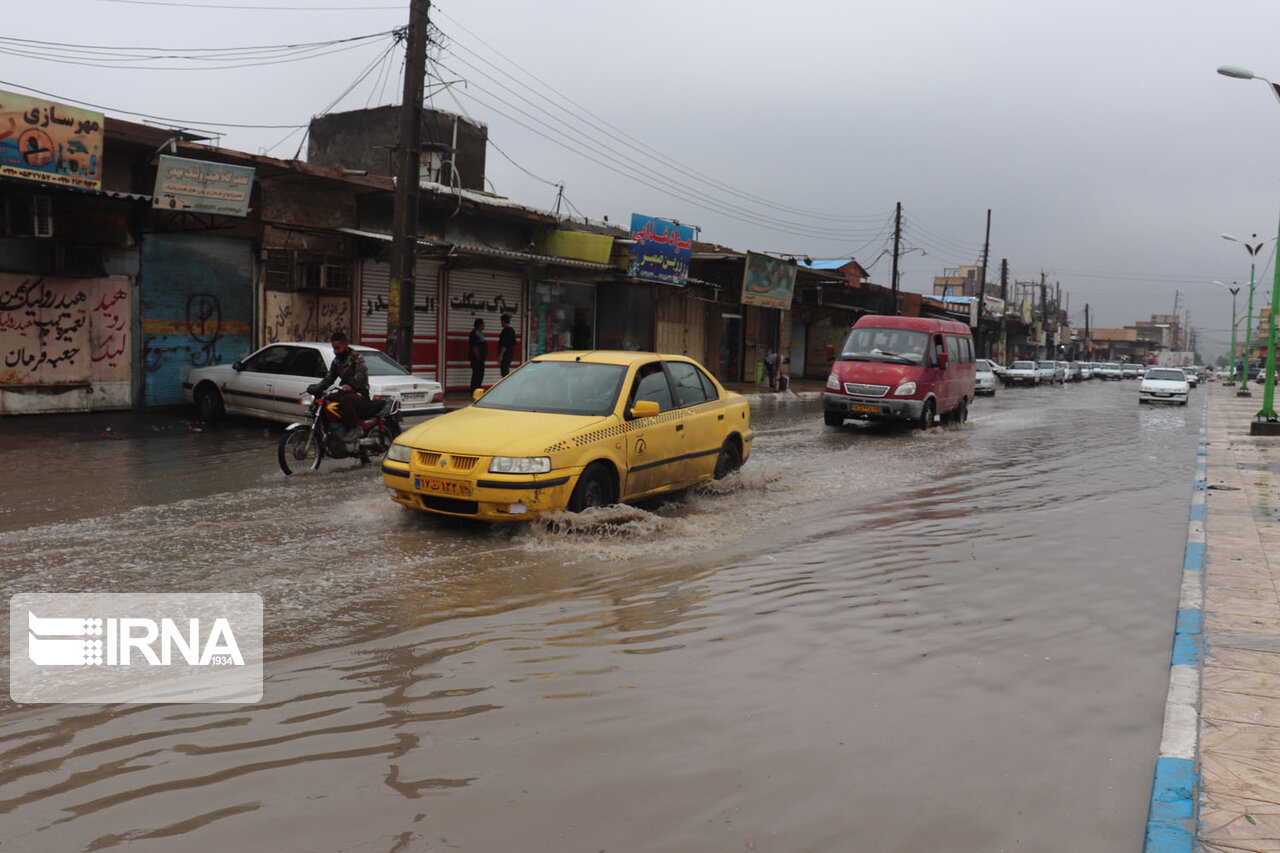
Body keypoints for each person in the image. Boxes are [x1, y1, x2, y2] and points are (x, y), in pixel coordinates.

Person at [316, 330, 369, 439]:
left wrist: (351, 385)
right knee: (325, 399)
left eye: (338, 348)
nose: (335, 351)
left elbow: (361, 373)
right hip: (344, 392)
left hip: (360, 394)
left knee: (345, 400)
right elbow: (329, 377)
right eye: (334, 348)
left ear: (345, 345)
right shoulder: (336, 361)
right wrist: (318, 387)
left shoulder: (356, 358)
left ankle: (356, 428)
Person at [469, 318, 488, 393]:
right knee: (476, 374)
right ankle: (474, 389)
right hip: (477, 359)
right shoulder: (475, 334)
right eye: (483, 325)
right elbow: (475, 346)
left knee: (480, 374)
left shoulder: (479, 333)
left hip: (480, 358)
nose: (484, 326)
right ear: (479, 325)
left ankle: (478, 388)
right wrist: (478, 357)